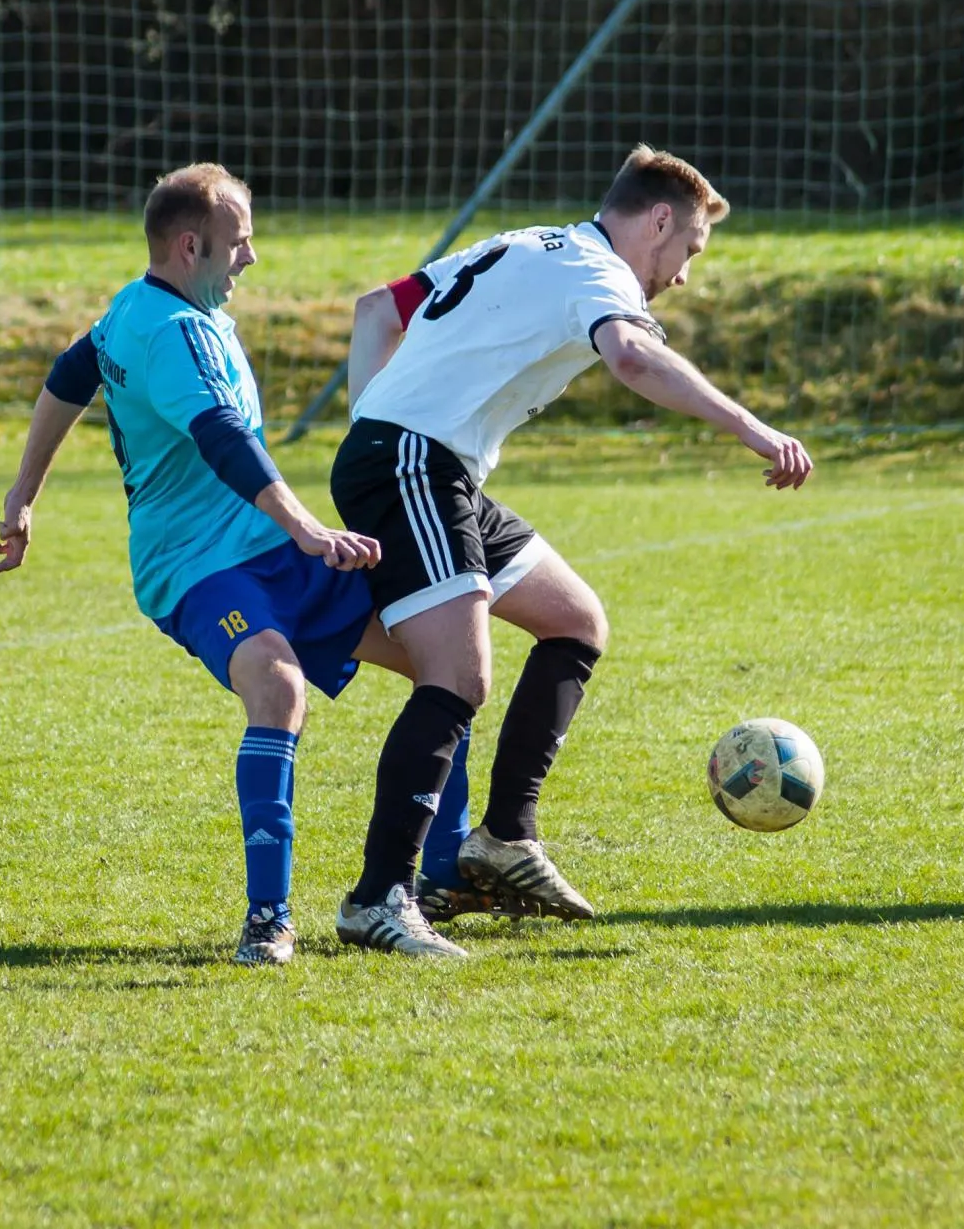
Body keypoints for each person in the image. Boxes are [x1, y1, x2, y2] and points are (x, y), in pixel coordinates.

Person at [0, 162, 496, 964]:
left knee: (444, 670)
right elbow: (223, 440)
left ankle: (438, 875)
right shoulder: (173, 332)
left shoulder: (136, 308)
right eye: (240, 242)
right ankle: (269, 919)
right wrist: (308, 527)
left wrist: (23, 495)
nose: (251, 258)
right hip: (197, 568)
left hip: (267, 549)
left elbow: (70, 373)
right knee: (277, 685)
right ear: (191, 246)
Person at [330, 144, 813, 953]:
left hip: (426, 463)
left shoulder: (527, 242)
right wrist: (753, 429)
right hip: (414, 461)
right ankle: (378, 897)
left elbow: (376, 308)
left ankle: (503, 838)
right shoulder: (599, 272)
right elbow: (631, 355)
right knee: (458, 676)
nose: (683, 275)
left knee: (575, 621)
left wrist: (368, 427)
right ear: (658, 220)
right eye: (690, 249)